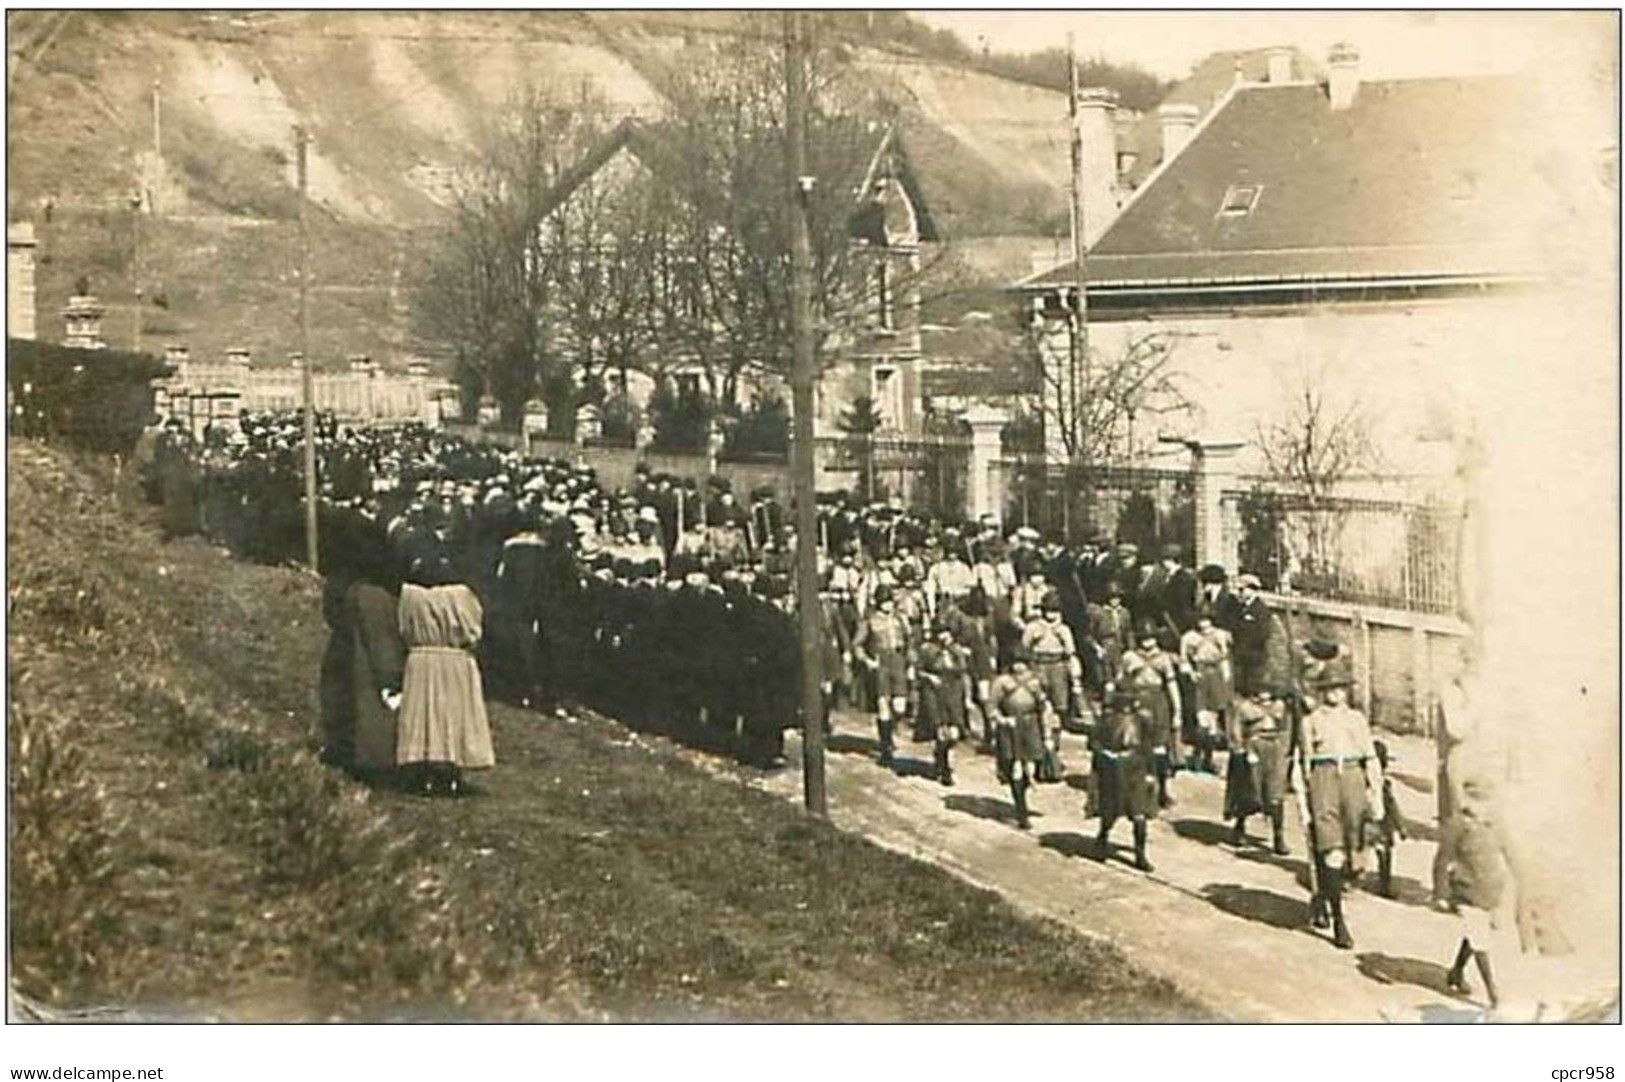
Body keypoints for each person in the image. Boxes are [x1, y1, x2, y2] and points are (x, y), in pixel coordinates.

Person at [1296, 657, 1383, 949]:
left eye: (1340, 688)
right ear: (1323, 691)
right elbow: (1304, 763)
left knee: (1354, 854)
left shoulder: (1356, 719)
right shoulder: (1310, 721)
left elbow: (1370, 757)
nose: (1336, 693)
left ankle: (1322, 894)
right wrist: (1303, 803)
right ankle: (1339, 921)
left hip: (1354, 778)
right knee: (1330, 850)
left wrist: (1377, 795)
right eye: (1330, 688)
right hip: (1324, 778)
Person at [395, 552, 496, 796]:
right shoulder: (461, 596)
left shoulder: (409, 595)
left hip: (421, 659)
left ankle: (423, 768)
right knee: (453, 715)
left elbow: (403, 628)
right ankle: (450, 772)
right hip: (455, 661)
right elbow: (473, 630)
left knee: (424, 714)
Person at [1432, 770, 1527, 1010]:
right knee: (1479, 937)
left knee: (1476, 934)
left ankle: (1456, 971)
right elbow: (1442, 860)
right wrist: (1440, 894)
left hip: (1491, 890)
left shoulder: (1496, 823)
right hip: (1466, 889)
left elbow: (1510, 850)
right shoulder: (1457, 824)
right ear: (1467, 798)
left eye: (1486, 799)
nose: (1482, 805)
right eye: (1477, 799)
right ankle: (1493, 992)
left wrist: (1522, 875)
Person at [1092, 688, 1156, 871]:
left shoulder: (1143, 721)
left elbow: (1147, 746)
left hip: (1135, 769)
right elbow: (1094, 743)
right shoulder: (1106, 720)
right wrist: (1106, 755)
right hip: (1113, 770)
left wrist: (1150, 773)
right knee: (1110, 812)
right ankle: (1102, 838)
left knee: (1139, 814)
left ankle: (1140, 854)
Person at [988, 657, 1053, 830]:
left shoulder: (1034, 681)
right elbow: (992, 707)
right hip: (1010, 727)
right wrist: (1002, 720)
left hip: (1030, 725)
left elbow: (1044, 706)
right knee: (1014, 766)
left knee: (1030, 765)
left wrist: (1048, 732)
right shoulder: (1001, 682)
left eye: (1022, 662)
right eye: (1015, 662)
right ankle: (1021, 810)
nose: (1019, 666)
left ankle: (1024, 791)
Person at [1121, 627, 1182, 807]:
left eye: (1151, 638)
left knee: (1159, 749)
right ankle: (1133, 791)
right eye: (1144, 638)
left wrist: (1177, 711)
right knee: (1135, 747)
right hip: (1136, 701)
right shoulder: (1129, 657)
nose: (1148, 642)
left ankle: (1162, 789)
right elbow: (1121, 682)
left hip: (1158, 704)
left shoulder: (1164, 659)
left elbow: (1171, 686)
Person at [1225, 686, 1290, 854]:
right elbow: (1236, 731)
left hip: (1274, 748)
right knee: (1249, 789)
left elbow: (1286, 729)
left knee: (1276, 793)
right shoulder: (1244, 707)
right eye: (1261, 687)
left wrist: (1286, 750)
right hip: (1253, 747)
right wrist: (1242, 750)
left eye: (1268, 688)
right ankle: (1240, 827)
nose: (1264, 692)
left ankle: (1278, 836)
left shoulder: (1279, 706)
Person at [853, 585, 912, 769]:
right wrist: (868, 661)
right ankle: (886, 746)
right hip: (881, 663)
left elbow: (910, 642)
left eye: (890, 602)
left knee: (900, 706)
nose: (888, 606)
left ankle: (891, 729)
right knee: (883, 704)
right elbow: (857, 645)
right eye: (884, 602)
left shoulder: (900, 619)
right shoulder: (870, 621)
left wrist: (910, 663)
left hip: (898, 661)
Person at [915, 623, 970, 786]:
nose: (944, 637)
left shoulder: (958, 651)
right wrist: (929, 677)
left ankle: (944, 759)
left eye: (947, 633)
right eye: (941, 634)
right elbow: (918, 670)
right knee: (940, 730)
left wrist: (967, 698)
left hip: (953, 693)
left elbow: (964, 672)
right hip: (933, 693)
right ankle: (944, 768)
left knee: (954, 733)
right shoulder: (928, 650)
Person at [1179, 612, 1233, 773]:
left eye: (1207, 621)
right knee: (1201, 716)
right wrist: (1191, 673)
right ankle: (1198, 755)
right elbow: (1184, 660)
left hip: (1216, 675)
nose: (1204, 624)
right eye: (1201, 621)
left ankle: (1208, 758)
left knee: (1213, 719)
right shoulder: (1189, 638)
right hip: (1200, 675)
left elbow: (1225, 658)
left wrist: (1225, 677)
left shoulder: (1221, 635)